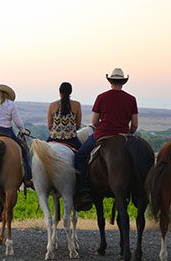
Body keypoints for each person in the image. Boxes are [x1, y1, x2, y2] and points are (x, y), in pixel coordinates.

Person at [74, 68, 139, 202]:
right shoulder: (131, 99)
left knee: (80, 156)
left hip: (102, 135)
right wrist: (129, 133)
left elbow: (94, 121)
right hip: (124, 137)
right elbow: (135, 124)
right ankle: (138, 192)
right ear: (123, 82)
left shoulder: (101, 97)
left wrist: (102, 129)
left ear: (110, 81)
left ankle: (83, 190)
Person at [47, 82, 82, 149]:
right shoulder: (77, 105)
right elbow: (78, 126)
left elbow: (49, 126)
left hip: (54, 138)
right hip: (71, 139)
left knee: (42, 154)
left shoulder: (52, 105)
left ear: (59, 91)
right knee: (83, 155)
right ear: (70, 92)